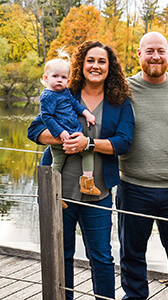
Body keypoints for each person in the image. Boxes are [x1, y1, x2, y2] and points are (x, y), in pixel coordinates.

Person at [27, 41, 135, 300]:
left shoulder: (119, 102)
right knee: (60, 254)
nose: (95, 66)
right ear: (81, 65)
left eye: (101, 61)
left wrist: (89, 143)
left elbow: (124, 141)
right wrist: (64, 139)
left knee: (101, 256)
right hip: (59, 193)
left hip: (98, 194)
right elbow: (34, 130)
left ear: (110, 68)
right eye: (90, 60)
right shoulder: (64, 92)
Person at [117, 31, 168, 300]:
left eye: (160, 51)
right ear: (139, 54)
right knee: (131, 255)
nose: (155, 56)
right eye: (149, 50)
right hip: (133, 187)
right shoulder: (123, 90)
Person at [40, 49, 101, 198]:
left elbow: (74, 104)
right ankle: (53, 194)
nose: (59, 80)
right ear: (46, 78)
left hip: (74, 134)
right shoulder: (48, 96)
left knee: (88, 151)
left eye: (63, 77)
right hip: (61, 137)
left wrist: (86, 113)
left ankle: (87, 183)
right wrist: (60, 132)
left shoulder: (65, 92)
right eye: (55, 76)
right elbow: (46, 117)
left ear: (68, 80)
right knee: (57, 164)